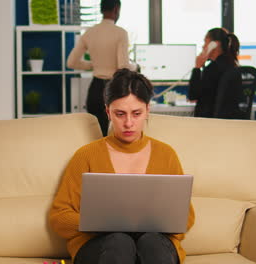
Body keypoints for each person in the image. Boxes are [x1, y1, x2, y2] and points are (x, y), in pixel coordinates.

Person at [49, 68, 195, 264]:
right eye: (120, 114)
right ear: (108, 112)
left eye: (136, 113)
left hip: (154, 245)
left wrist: (151, 224)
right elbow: (59, 217)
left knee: (151, 243)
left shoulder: (166, 155)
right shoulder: (86, 156)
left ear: (147, 110)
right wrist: (99, 223)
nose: (128, 123)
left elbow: (186, 216)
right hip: (101, 246)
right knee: (120, 242)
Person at [66, 0, 137, 136]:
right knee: (114, 135)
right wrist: (135, 66)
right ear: (116, 9)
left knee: (96, 135)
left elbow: (71, 63)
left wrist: (95, 65)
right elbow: (123, 67)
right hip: (113, 90)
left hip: (95, 90)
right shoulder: (120, 33)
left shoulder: (90, 32)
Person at [187, 27, 240, 117]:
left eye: (205, 42)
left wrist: (197, 68)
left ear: (214, 44)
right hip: (228, 123)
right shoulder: (233, 66)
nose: (203, 46)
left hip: (209, 123)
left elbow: (193, 96)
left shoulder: (212, 69)